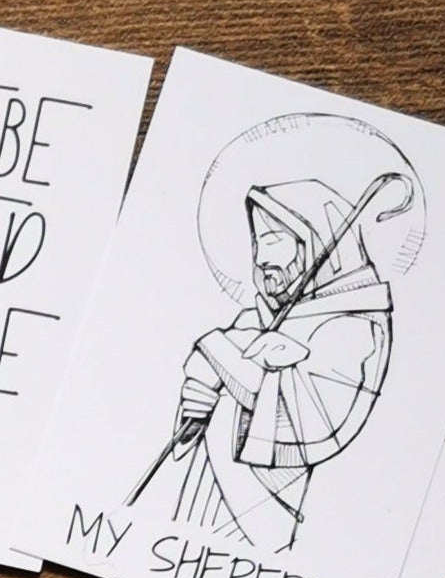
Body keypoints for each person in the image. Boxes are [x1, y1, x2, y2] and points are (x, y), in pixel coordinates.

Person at [157, 177, 394, 550]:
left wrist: (213, 348)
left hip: (261, 512)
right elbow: (218, 385)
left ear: (313, 242)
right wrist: (197, 398)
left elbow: (302, 411)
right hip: (201, 489)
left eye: (273, 240)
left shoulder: (354, 325)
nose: (261, 258)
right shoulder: (257, 318)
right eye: (257, 242)